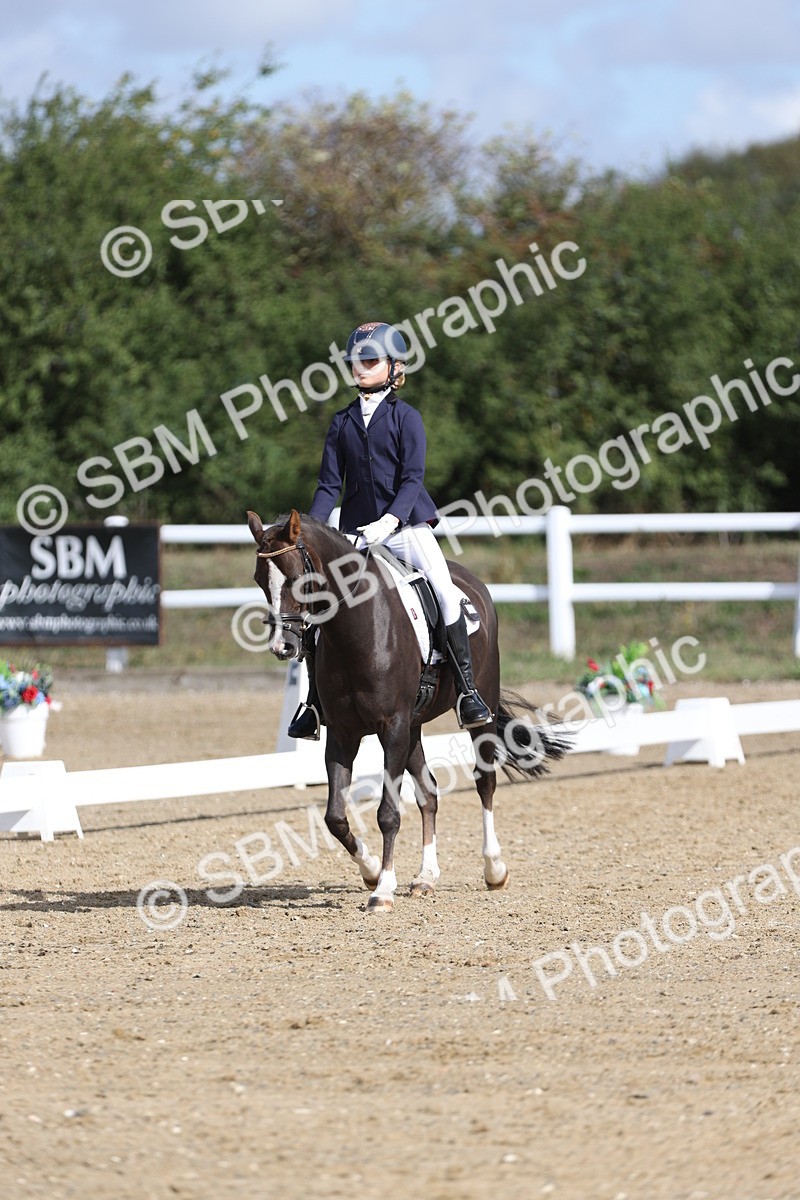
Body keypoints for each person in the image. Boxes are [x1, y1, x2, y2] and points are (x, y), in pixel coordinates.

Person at [287, 320, 492, 740]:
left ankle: (469, 691)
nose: (359, 368)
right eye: (354, 361)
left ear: (394, 366)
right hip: (355, 534)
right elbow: (329, 484)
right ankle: (313, 702)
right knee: (319, 602)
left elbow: (412, 478)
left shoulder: (406, 418)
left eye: (368, 360)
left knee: (444, 590)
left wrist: (389, 521)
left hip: (405, 527)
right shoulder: (342, 422)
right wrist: (312, 529)